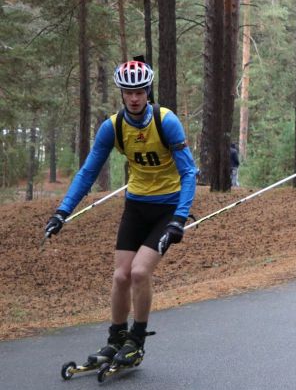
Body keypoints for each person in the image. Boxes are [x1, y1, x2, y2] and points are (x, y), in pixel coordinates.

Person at [44, 60, 196, 366]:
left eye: (140, 91)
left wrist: (180, 218)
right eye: (128, 92)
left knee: (140, 272)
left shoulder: (166, 121)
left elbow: (189, 172)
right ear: (122, 94)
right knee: (121, 275)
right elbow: (88, 173)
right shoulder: (112, 127)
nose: (134, 98)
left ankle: (136, 341)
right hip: (136, 207)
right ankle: (115, 340)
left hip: (167, 209)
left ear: (148, 91)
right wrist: (62, 211)